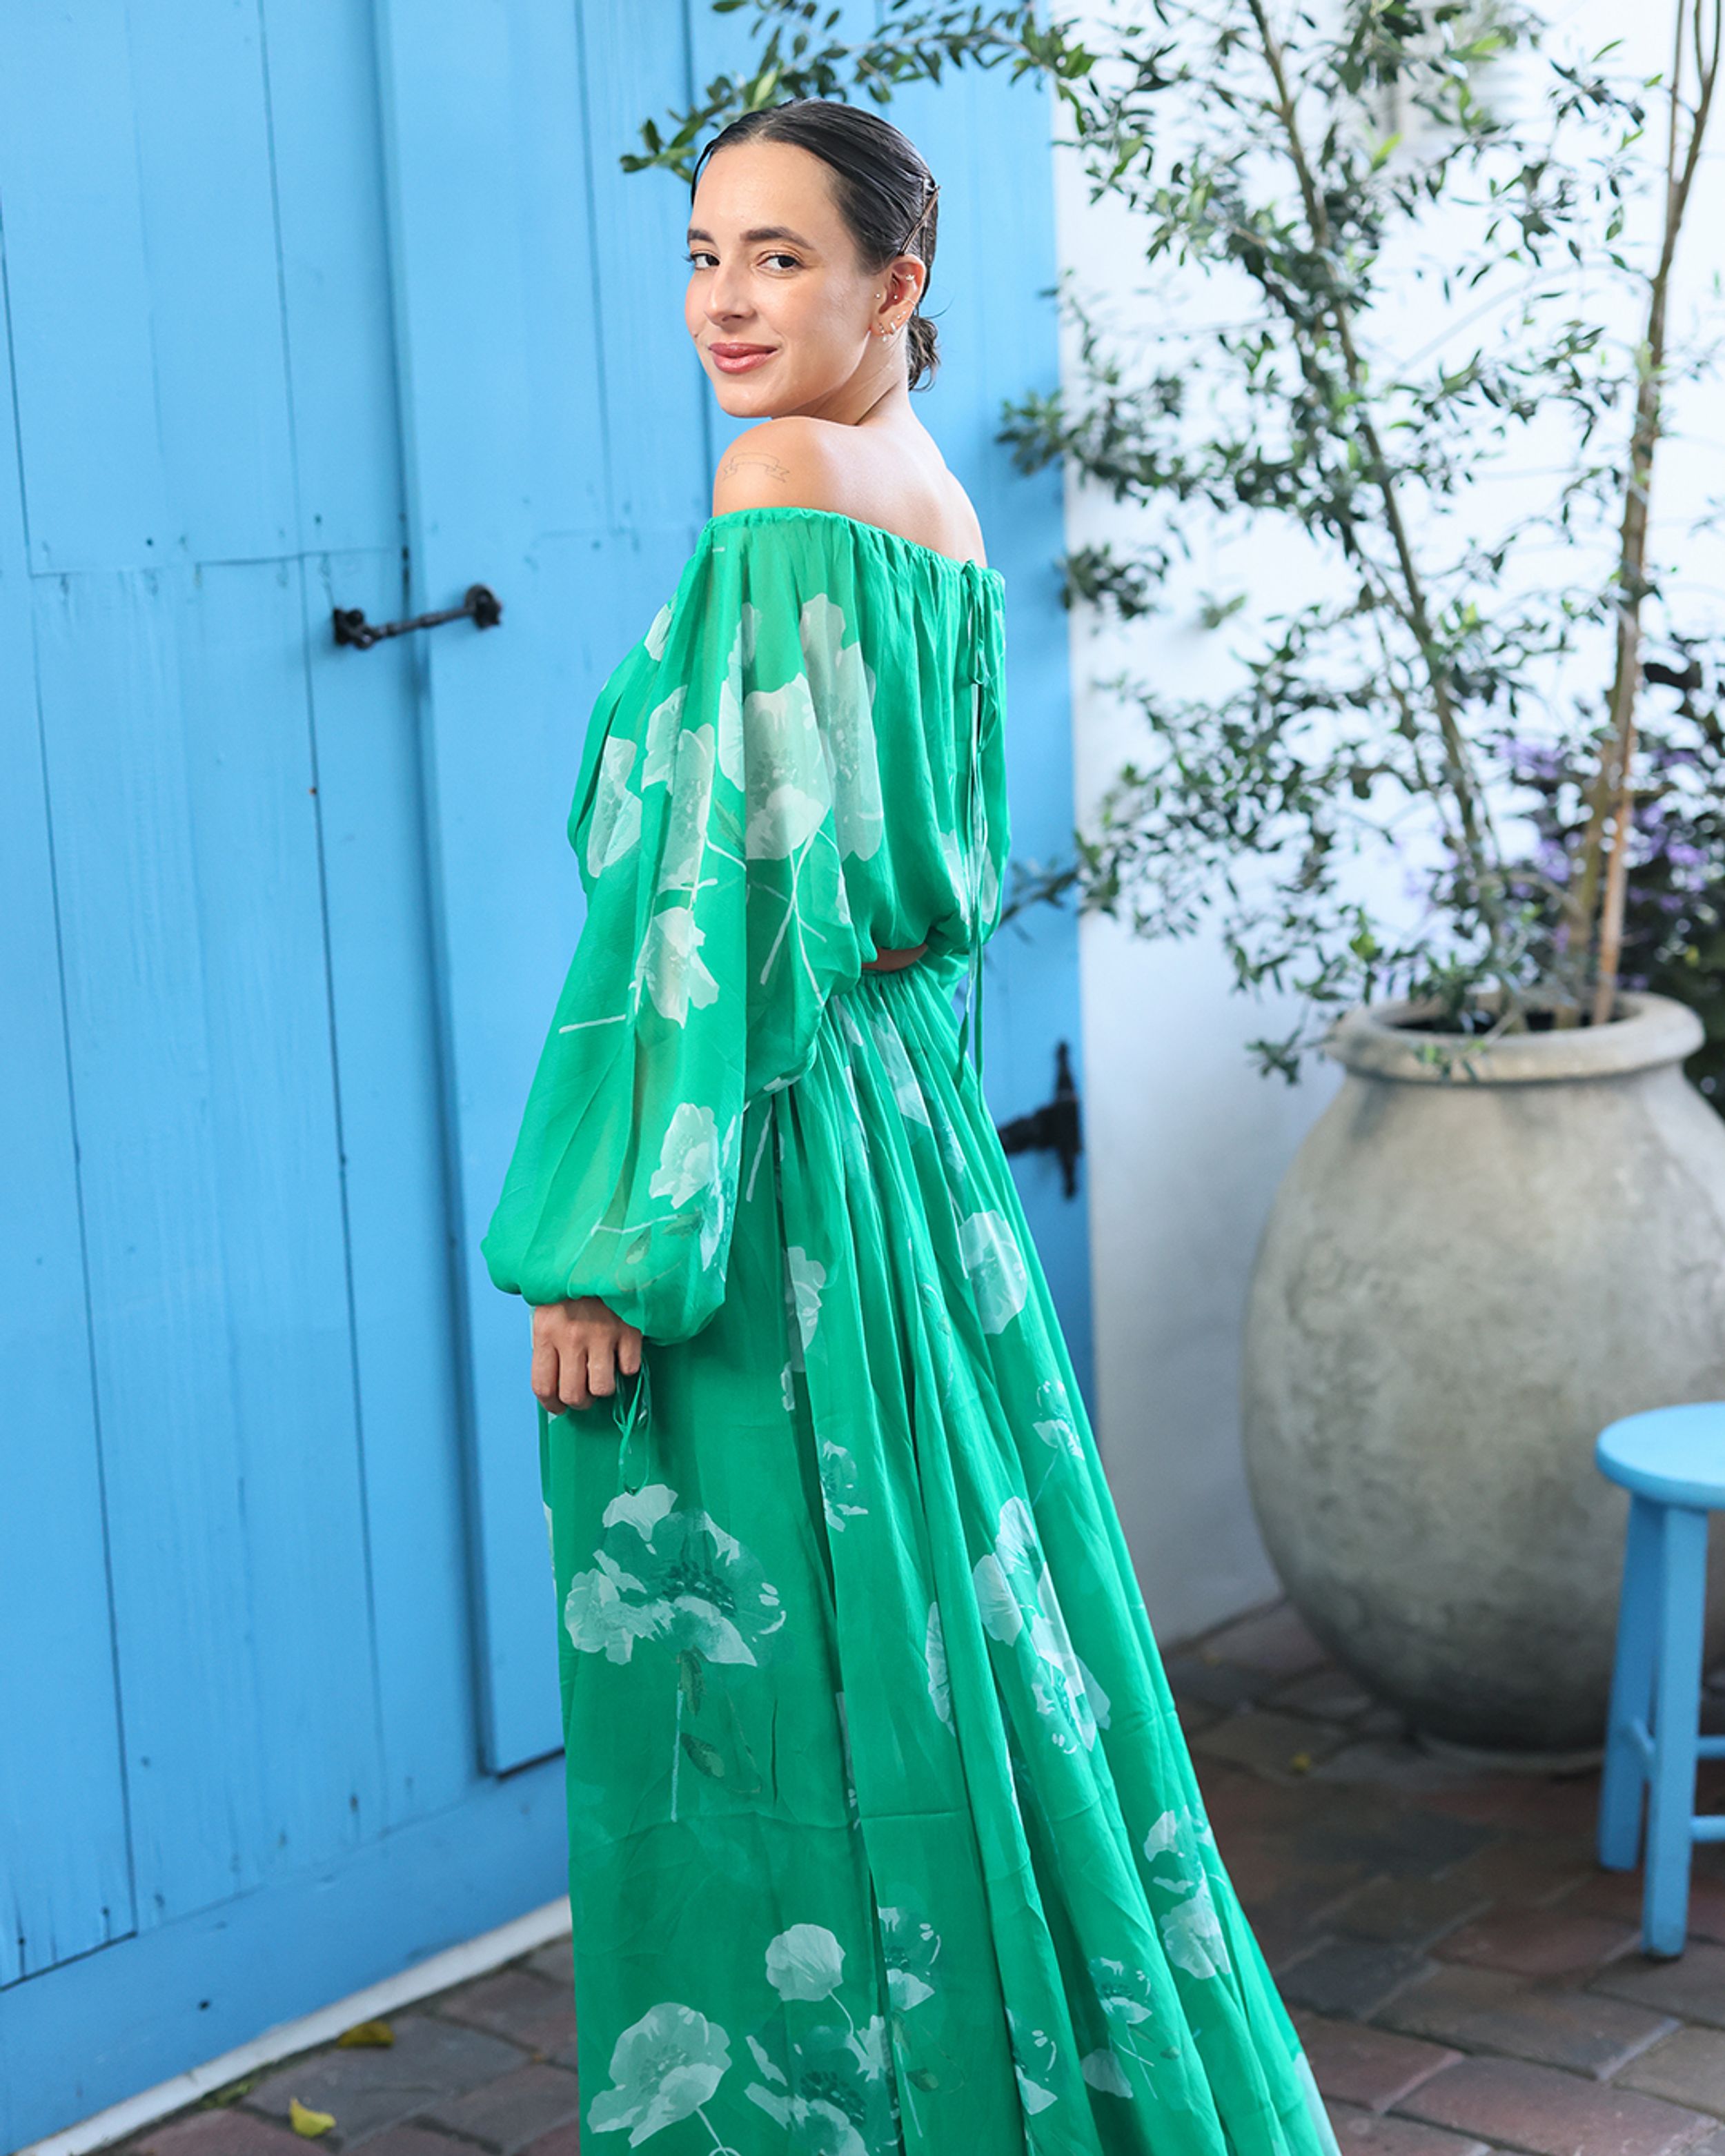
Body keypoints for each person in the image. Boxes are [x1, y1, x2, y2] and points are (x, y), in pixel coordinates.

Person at [482, 95, 1338, 2156]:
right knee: (948, 1641)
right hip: (889, 1142)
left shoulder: (783, 477)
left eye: (779, 255)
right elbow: (896, 908)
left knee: (785, 1696)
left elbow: (717, 902)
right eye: (702, 253)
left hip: (760, 1161)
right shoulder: (916, 482)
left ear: (895, 282)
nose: (725, 299)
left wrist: (613, 1240)